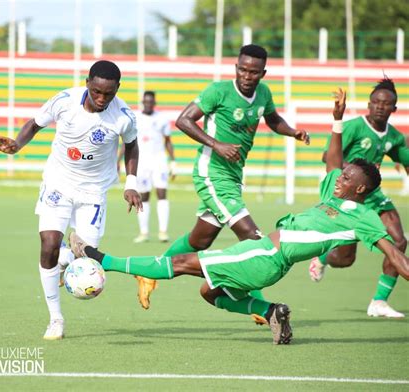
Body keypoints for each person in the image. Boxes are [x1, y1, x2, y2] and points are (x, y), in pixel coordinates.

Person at [69, 88, 409, 345]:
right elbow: (333, 162)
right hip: (265, 256)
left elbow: (395, 253)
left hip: (266, 256)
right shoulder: (336, 185)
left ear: (361, 191)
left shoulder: (363, 217)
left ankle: (99, 257)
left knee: (184, 263)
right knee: (209, 293)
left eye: (349, 179)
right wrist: (337, 120)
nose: (340, 179)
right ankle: (269, 311)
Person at [135, 44, 310, 310]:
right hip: (211, 173)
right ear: (236, 68)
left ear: (263, 73)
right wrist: (217, 144)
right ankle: (259, 306)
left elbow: (272, 119)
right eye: (242, 70)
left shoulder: (263, 93)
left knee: (199, 240)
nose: (247, 76)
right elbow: (184, 121)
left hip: (233, 176)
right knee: (254, 239)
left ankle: (150, 272)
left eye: (253, 72)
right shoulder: (218, 91)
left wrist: (292, 132)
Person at [0, 60, 142, 340]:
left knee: (85, 255)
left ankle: (64, 258)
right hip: (59, 181)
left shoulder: (123, 116)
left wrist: (131, 183)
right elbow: (35, 124)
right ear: (87, 82)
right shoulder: (64, 101)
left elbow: (132, 146)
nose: (101, 98)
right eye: (96, 91)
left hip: (94, 191)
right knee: (48, 243)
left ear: (117, 90)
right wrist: (17, 144)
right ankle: (55, 319)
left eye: (108, 94)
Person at [309, 77, 409, 319]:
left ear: (394, 108)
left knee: (399, 241)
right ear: (369, 104)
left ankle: (379, 301)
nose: (379, 107)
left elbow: (404, 158)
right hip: (350, 197)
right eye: (375, 102)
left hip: (375, 197)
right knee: (345, 260)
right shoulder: (355, 127)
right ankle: (323, 256)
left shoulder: (394, 136)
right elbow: (328, 157)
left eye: (385, 104)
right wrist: (355, 173)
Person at [132, 91, 176, 244]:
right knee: (143, 196)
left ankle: (163, 231)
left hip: (159, 161)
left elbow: (168, 141)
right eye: (146, 102)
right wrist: (119, 160)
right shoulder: (135, 118)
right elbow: (128, 142)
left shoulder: (162, 119)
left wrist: (173, 162)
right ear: (143, 102)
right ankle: (144, 232)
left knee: (162, 193)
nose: (149, 104)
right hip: (141, 162)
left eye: (151, 102)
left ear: (154, 103)